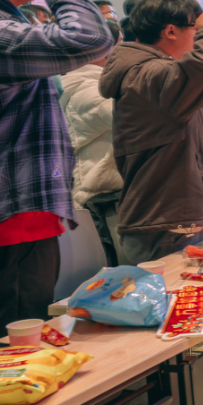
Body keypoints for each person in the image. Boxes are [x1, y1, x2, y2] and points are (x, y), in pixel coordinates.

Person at [0, 0, 113, 344]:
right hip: (3, 212)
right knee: (8, 347)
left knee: (17, 337)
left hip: (13, 210)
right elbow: (90, 39)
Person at [100, 0, 203, 263]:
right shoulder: (150, 74)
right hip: (164, 222)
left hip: (164, 219)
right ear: (171, 31)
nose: (197, 35)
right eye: (194, 28)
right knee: (170, 291)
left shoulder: (148, 71)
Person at [60, 19, 125, 266]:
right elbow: (134, 116)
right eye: (119, 45)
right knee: (115, 273)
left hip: (106, 193)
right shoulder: (87, 89)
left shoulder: (93, 84)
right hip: (98, 196)